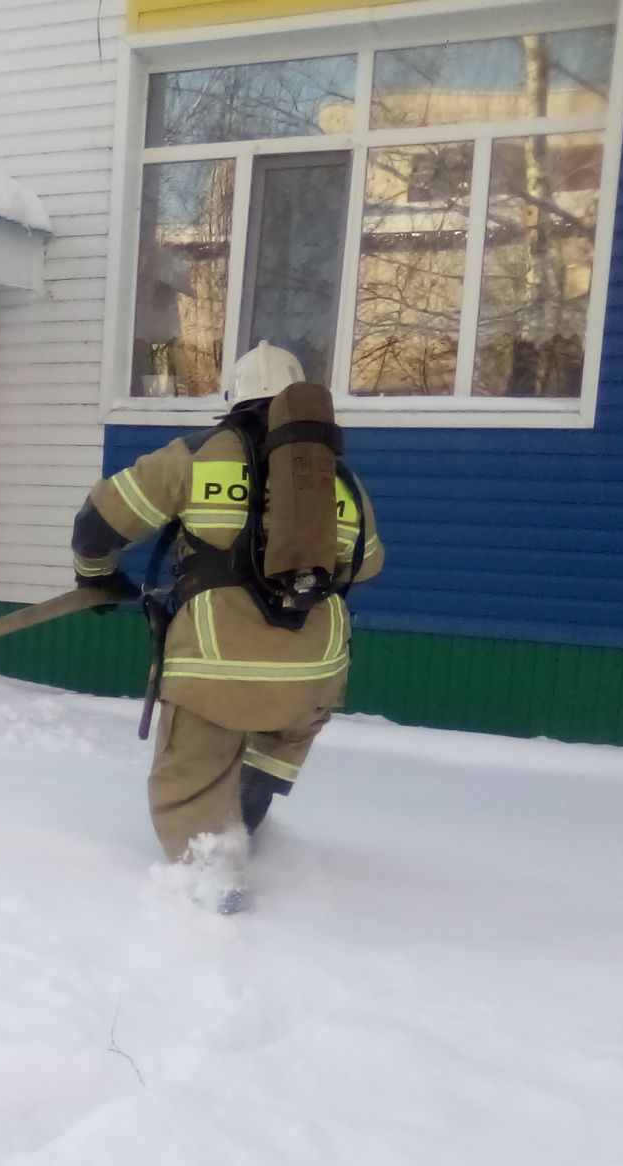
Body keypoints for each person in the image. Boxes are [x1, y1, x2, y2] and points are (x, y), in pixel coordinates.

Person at [69, 342, 385, 910]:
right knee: (267, 749)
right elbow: (366, 565)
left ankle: (215, 902)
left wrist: (95, 576)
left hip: (217, 669)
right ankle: (248, 823)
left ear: (233, 397)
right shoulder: (338, 477)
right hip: (314, 674)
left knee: (192, 778)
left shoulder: (198, 454)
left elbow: (99, 522)